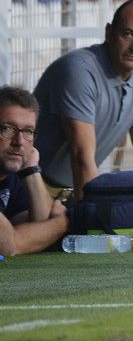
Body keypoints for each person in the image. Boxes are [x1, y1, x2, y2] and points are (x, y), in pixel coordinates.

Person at [33, 0, 133, 196]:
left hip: (73, 190)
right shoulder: (78, 70)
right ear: (109, 32)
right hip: (30, 186)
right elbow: (81, 158)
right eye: (128, 34)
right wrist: (92, 218)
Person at [0, 87, 69, 257]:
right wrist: (61, 223)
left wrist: (31, 169)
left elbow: (41, 223)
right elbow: (9, 245)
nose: (19, 142)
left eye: (28, 131)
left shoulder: (11, 180)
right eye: (8, 129)